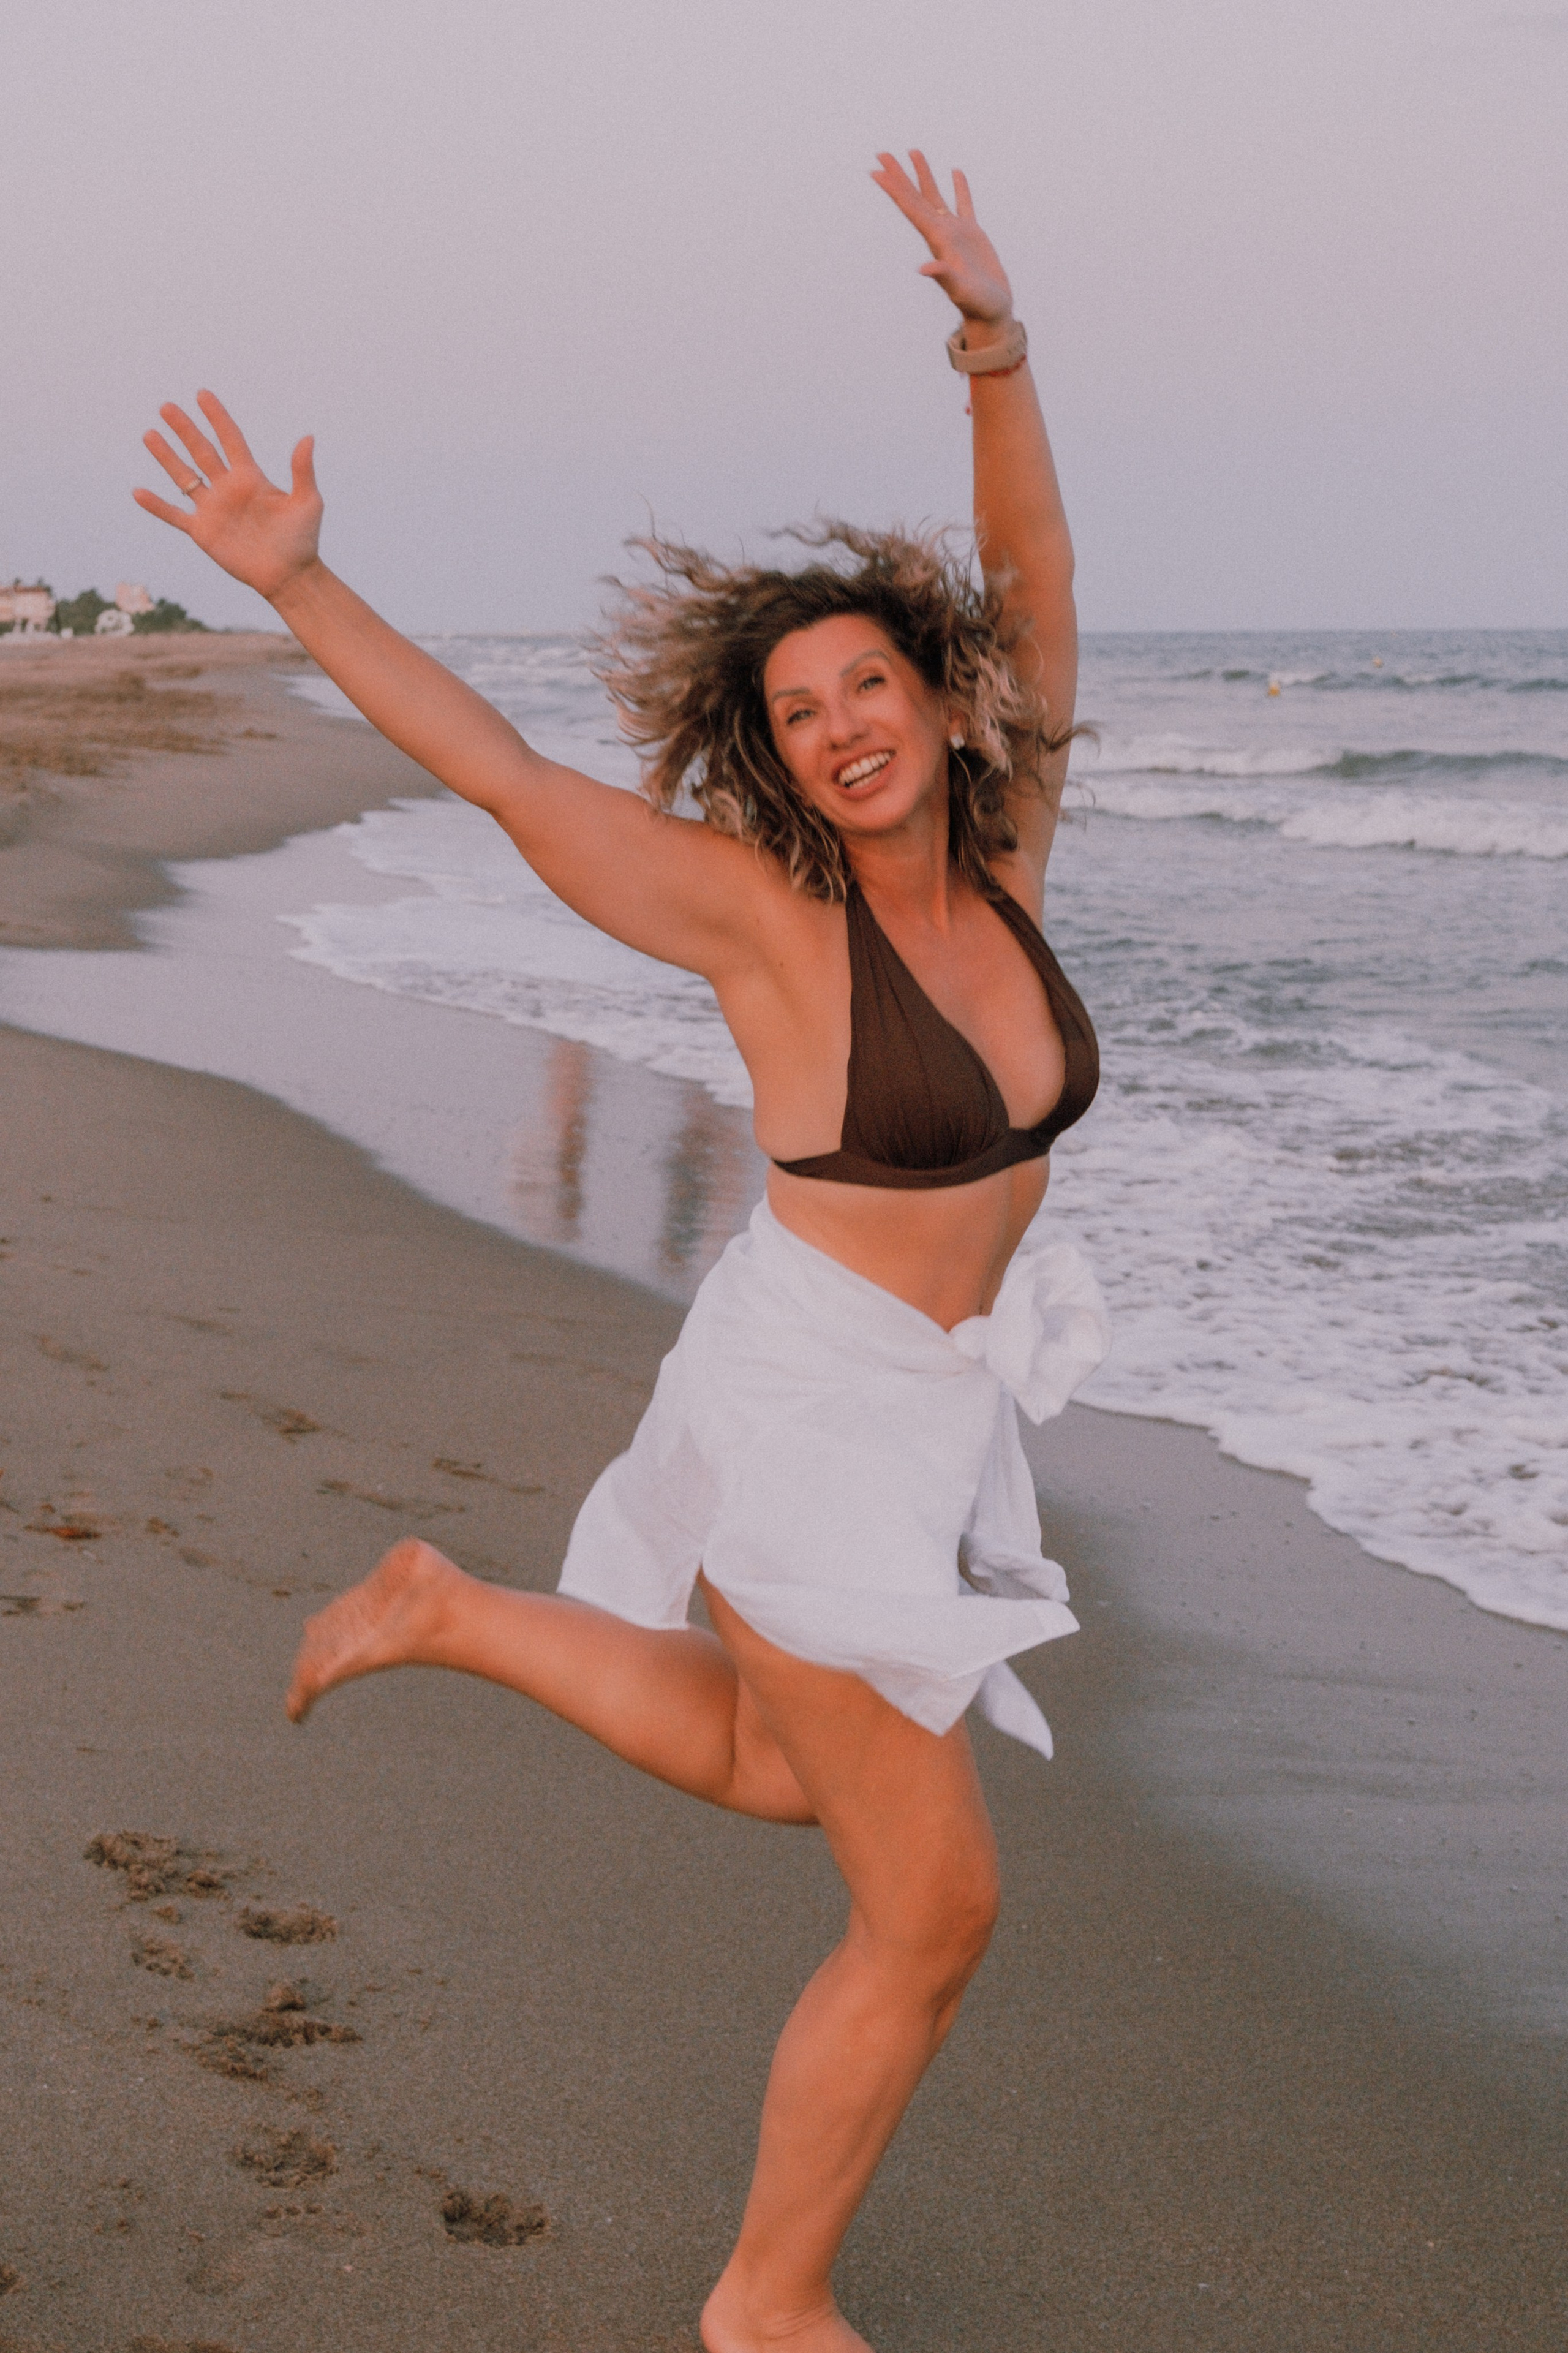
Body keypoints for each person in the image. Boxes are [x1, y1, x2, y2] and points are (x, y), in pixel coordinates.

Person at [135, 151, 1109, 2353]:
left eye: (871, 684)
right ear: (777, 762)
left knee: (785, 1764)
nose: (844, 725)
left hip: (927, 1413)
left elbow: (1041, 571)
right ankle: (767, 2303)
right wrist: (303, 582)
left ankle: (449, 1607)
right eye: (800, 714)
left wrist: (994, 341)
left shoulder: (1022, 849)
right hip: (803, 1412)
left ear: (943, 701)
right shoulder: (771, 928)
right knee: (929, 1906)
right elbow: (495, 772)